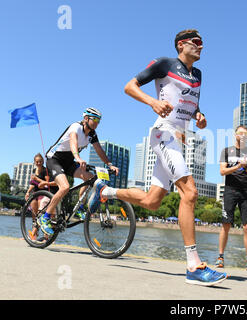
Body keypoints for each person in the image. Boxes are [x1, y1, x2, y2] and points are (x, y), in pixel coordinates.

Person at [87, 29, 227, 286]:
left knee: (152, 202)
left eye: (202, 43)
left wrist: (199, 115)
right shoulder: (164, 63)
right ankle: (193, 266)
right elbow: (129, 86)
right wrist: (152, 102)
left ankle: (105, 192)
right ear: (181, 45)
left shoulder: (198, 74)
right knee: (191, 193)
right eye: (196, 42)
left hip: (178, 139)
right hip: (163, 134)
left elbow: (190, 102)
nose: (201, 46)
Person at [37, 108, 119, 236]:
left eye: (99, 121)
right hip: (55, 159)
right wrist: (78, 158)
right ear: (86, 118)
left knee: (91, 178)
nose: (97, 123)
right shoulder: (75, 127)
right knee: (65, 187)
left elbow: (99, 150)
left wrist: (110, 164)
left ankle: (80, 208)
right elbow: (73, 144)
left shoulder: (92, 134)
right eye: (95, 120)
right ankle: (45, 217)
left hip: (69, 162)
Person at [216, 125, 247, 271]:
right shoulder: (226, 151)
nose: (243, 136)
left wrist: (246, 166)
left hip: (246, 191)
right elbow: (222, 171)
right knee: (226, 224)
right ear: (235, 135)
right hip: (230, 190)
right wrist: (237, 166)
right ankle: (220, 257)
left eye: (245, 134)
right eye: (240, 133)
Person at [25, 153, 59, 241]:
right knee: (34, 216)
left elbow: (46, 183)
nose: (38, 163)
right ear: (34, 162)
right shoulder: (34, 170)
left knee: (42, 214)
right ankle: (34, 236)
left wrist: (37, 179)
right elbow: (32, 184)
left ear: (43, 161)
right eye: (37, 161)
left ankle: (45, 237)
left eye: (40, 161)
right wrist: (28, 192)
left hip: (43, 193)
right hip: (34, 193)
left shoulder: (45, 170)